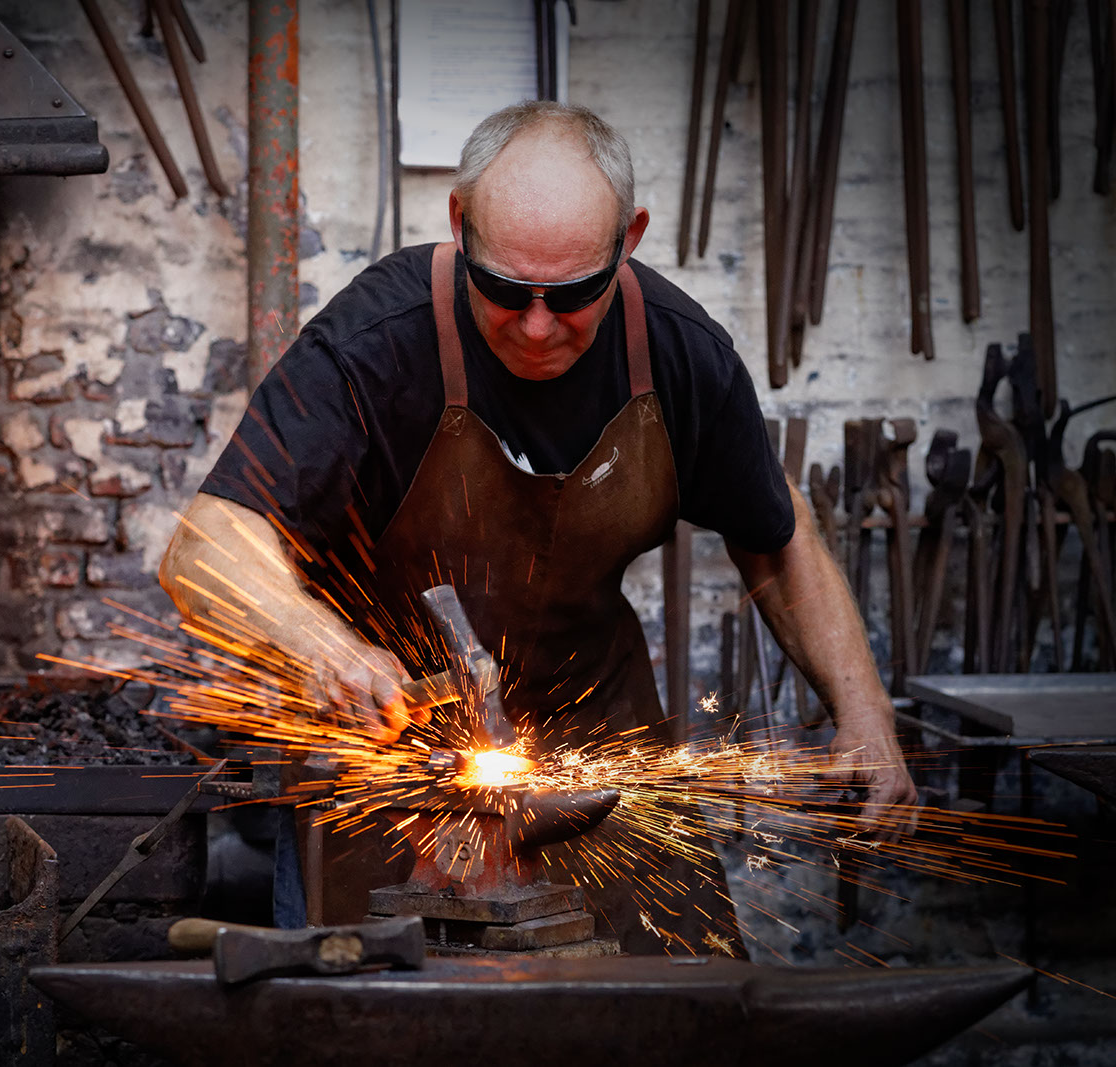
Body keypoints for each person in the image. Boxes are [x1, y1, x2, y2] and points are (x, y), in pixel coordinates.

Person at [159, 101, 917, 951]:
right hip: (399, 767)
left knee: (675, 1020)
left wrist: (865, 715)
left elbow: (777, 542)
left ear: (629, 239)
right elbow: (205, 547)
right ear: (460, 224)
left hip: (593, 761)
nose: (537, 325)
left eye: (575, 295)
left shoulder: (679, 352)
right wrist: (326, 649)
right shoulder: (374, 344)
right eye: (506, 290)